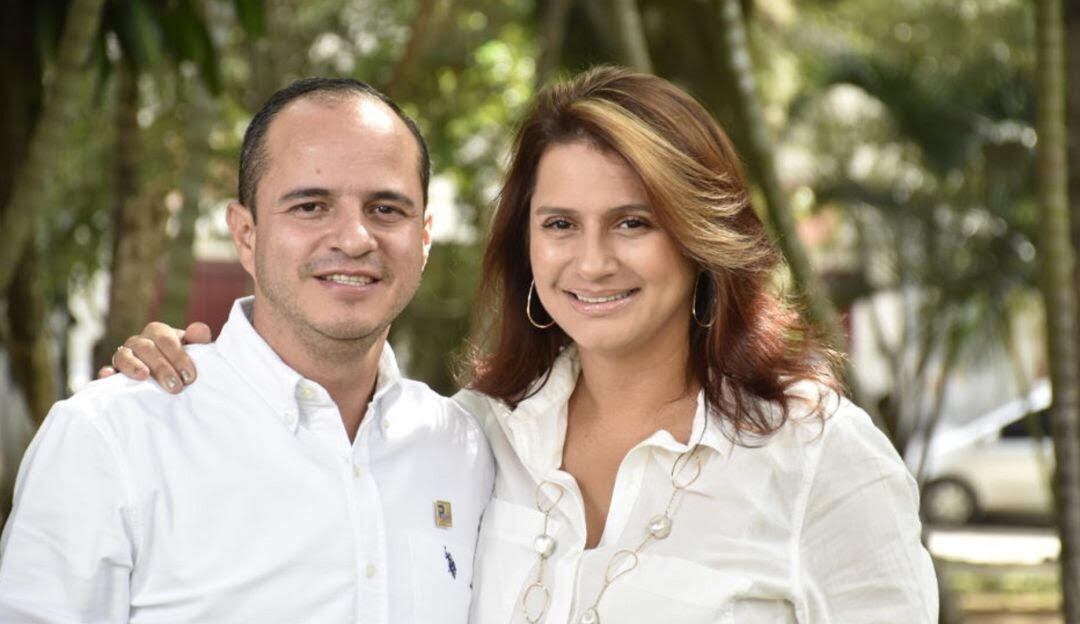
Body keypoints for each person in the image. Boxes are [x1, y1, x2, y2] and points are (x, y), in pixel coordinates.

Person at [105, 67, 938, 622]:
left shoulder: (815, 455)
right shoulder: (477, 438)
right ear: (525, 248)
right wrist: (188, 377)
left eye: (635, 223)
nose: (593, 260)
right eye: (560, 225)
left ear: (699, 238)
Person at [0, 78, 493, 623]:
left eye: (386, 209)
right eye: (310, 206)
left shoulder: (464, 448)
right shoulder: (112, 437)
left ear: (423, 237)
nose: (354, 238)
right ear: (246, 233)